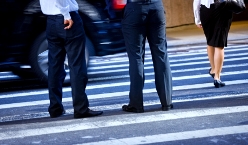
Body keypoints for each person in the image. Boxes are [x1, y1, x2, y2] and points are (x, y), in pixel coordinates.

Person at [39, 0, 103, 118]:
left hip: (51, 21)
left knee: (55, 66)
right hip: (67, 18)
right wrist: (66, 14)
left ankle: (55, 108)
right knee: (77, 65)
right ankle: (80, 108)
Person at [121, 0, 173, 113]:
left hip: (134, 8)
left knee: (136, 56)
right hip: (156, 6)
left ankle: (136, 104)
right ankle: (167, 101)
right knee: (161, 53)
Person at [193, 0, 233, 88]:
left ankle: (214, 70)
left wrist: (197, 18)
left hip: (206, 9)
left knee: (210, 41)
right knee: (219, 43)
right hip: (223, 7)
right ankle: (217, 77)